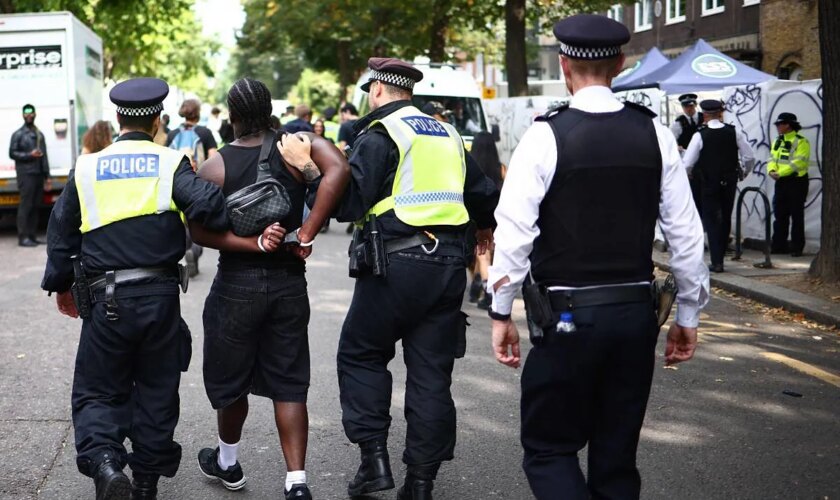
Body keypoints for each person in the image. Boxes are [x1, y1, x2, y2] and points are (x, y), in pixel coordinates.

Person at [488, 15, 709, 500]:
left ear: (564, 65)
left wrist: (501, 311)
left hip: (566, 316)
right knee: (616, 457)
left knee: (549, 449)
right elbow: (686, 235)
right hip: (634, 315)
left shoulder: (545, 136)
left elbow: (514, 233)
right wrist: (688, 313)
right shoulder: (653, 134)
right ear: (621, 63)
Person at [279, 57, 498, 500]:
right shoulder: (449, 134)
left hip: (396, 266)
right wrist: (484, 226)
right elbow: (484, 191)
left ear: (377, 90)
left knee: (360, 354)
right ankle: (420, 483)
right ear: (408, 91)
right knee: (431, 373)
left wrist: (307, 167)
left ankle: (374, 462)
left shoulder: (381, 134)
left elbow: (348, 204)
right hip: (448, 268)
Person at [40, 77, 234, 500]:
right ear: (158, 121)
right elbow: (209, 208)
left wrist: (60, 284)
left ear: (117, 118)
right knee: (157, 388)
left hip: (105, 298)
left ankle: (107, 464)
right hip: (160, 299)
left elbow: (61, 232)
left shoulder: (87, 166)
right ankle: (145, 481)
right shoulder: (170, 162)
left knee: (98, 388)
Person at [189, 77, 350, 500]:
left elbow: (198, 231)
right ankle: (296, 482)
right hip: (288, 284)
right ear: (269, 112)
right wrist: (307, 232)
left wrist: (250, 243)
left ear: (233, 117)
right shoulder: (299, 146)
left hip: (235, 286)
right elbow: (340, 170)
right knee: (290, 382)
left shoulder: (217, 165)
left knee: (231, 381)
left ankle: (227, 462)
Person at [682, 99, 754, 272]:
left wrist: (690, 176)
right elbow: (749, 157)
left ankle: (717, 261)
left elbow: (687, 163)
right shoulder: (733, 132)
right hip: (729, 181)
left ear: (705, 114)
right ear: (721, 113)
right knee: (726, 217)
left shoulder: (700, 135)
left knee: (712, 219)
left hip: (708, 182)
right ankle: (720, 256)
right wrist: (744, 173)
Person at [466, 131, 505, 310]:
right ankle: (477, 286)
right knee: (487, 253)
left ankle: (487, 292)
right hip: (497, 214)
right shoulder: (501, 168)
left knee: (482, 254)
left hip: (476, 214)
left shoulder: (471, 166)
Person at [768, 112, 811, 257]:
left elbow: (799, 162)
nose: (778, 127)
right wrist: (771, 170)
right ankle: (778, 245)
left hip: (796, 182)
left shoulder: (801, 141)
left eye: (780, 124)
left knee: (796, 216)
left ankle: (797, 247)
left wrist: (780, 173)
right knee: (780, 214)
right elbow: (772, 158)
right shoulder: (778, 141)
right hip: (780, 182)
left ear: (789, 125)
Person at [9, 103, 50, 247]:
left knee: (35, 205)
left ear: (35, 114)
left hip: (38, 174)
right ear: (22, 115)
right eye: (26, 112)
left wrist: (47, 176)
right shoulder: (18, 134)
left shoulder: (39, 134)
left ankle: (32, 236)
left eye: (31, 112)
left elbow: (45, 157)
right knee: (26, 205)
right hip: (26, 175)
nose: (29, 115)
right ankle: (23, 237)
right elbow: (12, 153)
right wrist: (29, 155)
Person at [670, 93, 704, 214]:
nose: (689, 109)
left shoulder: (703, 118)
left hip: (703, 159)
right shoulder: (678, 123)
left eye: (691, 106)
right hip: (686, 160)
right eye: (686, 107)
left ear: (695, 105)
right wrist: (676, 147)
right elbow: (671, 141)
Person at [166, 99, 218, 166]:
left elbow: (168, 160)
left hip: (177, 175)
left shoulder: (172, 134)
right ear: (198, 113)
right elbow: (213, 160)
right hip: (197, 175)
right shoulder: (206, 132)